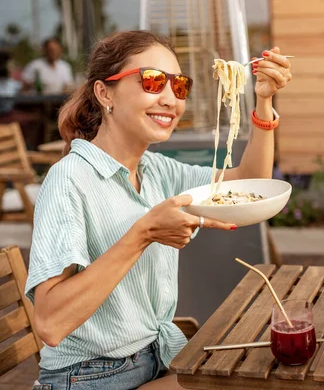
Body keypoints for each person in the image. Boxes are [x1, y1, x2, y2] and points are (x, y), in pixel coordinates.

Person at [25, 30, 292, 389]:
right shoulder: (69, 179)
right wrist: (143, 234)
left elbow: (249, 184)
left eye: (179, 86)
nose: (170, 99)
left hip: (157, 358)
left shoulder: (156, 169)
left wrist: (263, 102)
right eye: (152, 81)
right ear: (105, 93)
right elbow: (50, 324)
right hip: (90, 377)